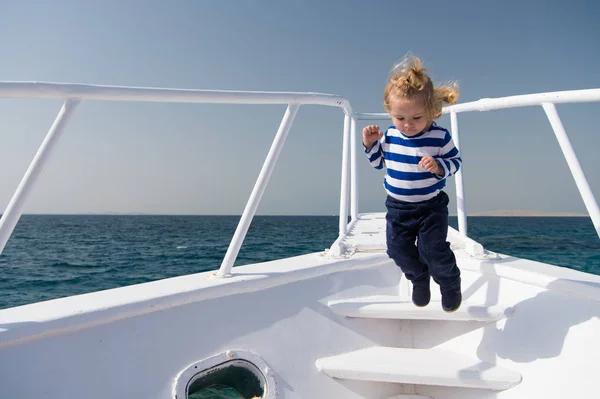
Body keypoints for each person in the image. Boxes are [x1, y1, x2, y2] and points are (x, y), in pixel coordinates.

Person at [362, 54, 462, 312]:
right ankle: (419, 278)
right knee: (397, 251)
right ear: (389, 111)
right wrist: (371, 145)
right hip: (398, 209)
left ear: (431, 111)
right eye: (400, 118)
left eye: (417, 118)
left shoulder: (440, 136)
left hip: (431, 207)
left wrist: (439, 167)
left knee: (433, 250)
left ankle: (450, 282)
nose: (408, 125)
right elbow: (377, 164)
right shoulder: (391, 136)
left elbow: (456, 161)